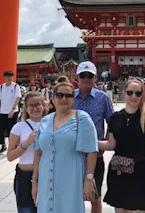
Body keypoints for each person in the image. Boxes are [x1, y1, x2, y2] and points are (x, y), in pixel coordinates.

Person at [31, 79, 98, 213]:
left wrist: (88, 179)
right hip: (46, 175)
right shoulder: (45, 121)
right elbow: (38, 152)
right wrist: (34, 181)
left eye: (68, 95)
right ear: (53, 98)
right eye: (60, 95)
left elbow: (92, 151)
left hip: (71, 174)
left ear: (73, 99)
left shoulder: (82, 118)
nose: (64, 99)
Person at [100, 78, 145, 212]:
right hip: (118, 170)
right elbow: (111, 144)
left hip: (140, 170)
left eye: (138, 93)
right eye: (130, 92)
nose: (134, 96)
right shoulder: (115, 117)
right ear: (124, 93)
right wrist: (90, 143)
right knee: (119, 210)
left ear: (142, 95)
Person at [73, 61, 114, 213]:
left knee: (95, 197)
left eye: (89, 76)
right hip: (73, 154)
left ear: (95, 77)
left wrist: (105, 142)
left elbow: (112, 122)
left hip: (95, 154)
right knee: (73, 195)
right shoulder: (70, 97)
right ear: (77, 77)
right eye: (82, 75)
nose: (85, 79)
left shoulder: (102, 98)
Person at [7, 91, 47, 213]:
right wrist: (27, 142)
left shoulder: (51, 124)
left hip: (46, 175)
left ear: (44, 105)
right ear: (26, 107)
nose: (35, 108)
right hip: (25, 176)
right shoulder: (18, 127)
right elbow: (10, 156)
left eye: (38, 104)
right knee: (26, 209)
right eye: (31, 105)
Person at [0, 71, 22, 155]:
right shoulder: (1, 87)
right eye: (8, 76)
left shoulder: (15, 86)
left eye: (11, 76)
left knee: (11, 130)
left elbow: (17, 98)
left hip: (12, 111)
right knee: (0, 129)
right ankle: (3, 146)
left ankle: (12, 147)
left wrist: (12, 110)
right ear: (4, 77)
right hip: (2, 111)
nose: (9, 78)